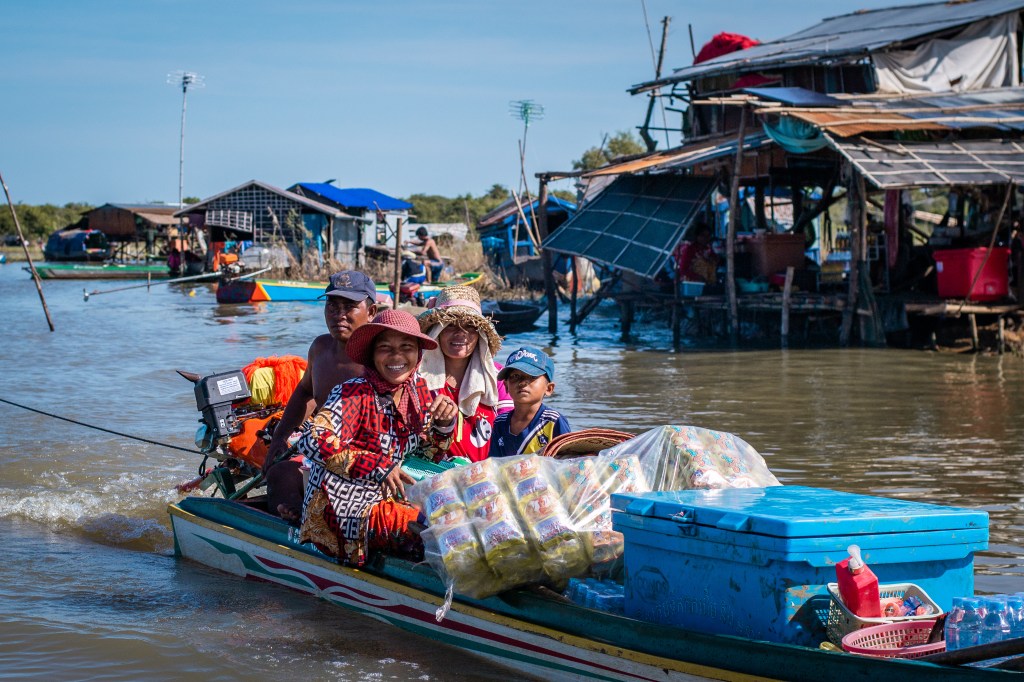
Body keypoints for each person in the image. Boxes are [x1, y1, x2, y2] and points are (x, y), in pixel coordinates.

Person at [294, 309, 459, 565]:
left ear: (418, 354)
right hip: (345, 507)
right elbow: (312, 441)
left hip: (392, 496)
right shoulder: (353, 393)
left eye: (406, 347)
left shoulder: (419, 393)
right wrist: (376, 466)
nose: (397, 356)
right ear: (372, 355)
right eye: (385, 348)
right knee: (436, 536)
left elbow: (429, 454)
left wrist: (445, 424)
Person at [262, 270, 379, 522]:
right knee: (279, 473)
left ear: (371, 312)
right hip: (323, 449)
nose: (339, 316)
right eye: (332, 306)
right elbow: (306, 391)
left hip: (366, 457)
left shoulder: (380, 357)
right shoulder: (321, 347)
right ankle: (295, 522)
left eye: (349, 307)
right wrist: (280, 438)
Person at [417, 286, 512, 462]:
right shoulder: (417, 376)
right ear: (437, 331)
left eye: (470, 326)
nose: (461, 333)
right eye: (451, 325)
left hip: (487, 475)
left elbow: (510, 430)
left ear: (480, 334)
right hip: (432, 472)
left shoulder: (498, 376)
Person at [490, 346, 570, 458]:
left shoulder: (553, 421)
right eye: (515, 376)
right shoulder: (500, 422)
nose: (522, 382)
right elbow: (494, 462)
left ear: (549, 388)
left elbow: (567, 462)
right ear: (506, 386)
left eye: (532, 376)